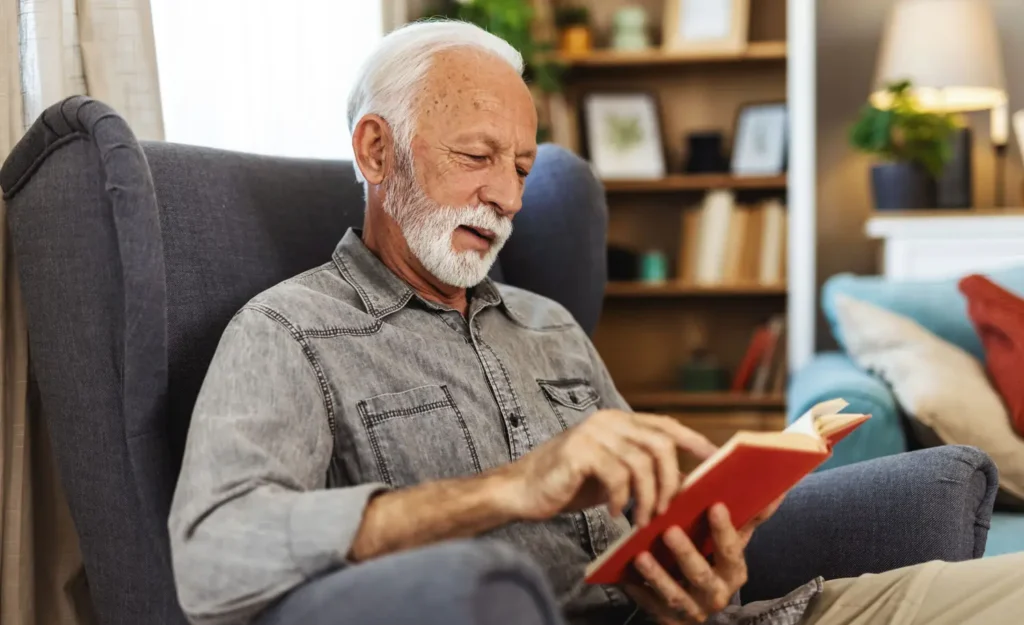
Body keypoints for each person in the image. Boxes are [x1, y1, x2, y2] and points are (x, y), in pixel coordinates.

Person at [167, 19, 1024, 625]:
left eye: (522, 165)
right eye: (475, 156)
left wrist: (705, 555)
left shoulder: (547, 324)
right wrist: (510, 487)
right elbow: (212, 556)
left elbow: (644, 522)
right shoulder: (288, 331)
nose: (505, 194)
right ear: (376, 151)